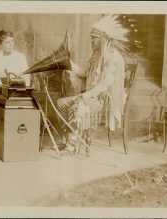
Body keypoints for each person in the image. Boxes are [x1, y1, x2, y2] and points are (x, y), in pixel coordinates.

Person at [57, 15, 140, 154]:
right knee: (60, 103)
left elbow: (104, 85)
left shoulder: (114, 57)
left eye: (93, 37)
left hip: (102, 99)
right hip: (91, 96)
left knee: (79, 105)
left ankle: (72, 145)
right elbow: (86, 74)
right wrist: (68, 64)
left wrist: (84, 96)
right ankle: (68, 139)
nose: (91, 40)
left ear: (102, 39)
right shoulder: (96, 54)